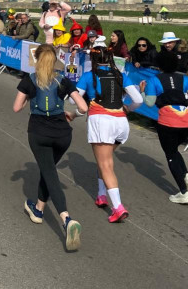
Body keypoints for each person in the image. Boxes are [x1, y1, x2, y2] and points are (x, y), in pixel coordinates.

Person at [13, 44, 88, 251]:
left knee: (50, 174)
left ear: (36, 59)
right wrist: (71, 114)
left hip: (39, 133)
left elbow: (16, 107)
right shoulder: (62, 80)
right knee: (48, 170)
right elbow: (83, 107)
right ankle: (38, 209)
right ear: (55, 60)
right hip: (63, 133)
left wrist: (29, 97)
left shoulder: (29, 79)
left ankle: (66, 219)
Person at [76, 46, 144, 222]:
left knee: (105, 164)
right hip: (121, 122)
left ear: (94, 59)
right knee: (104, 160)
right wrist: (128, 108)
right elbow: (138, 99)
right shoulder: (121, 75)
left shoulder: (89, 76)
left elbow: (73, 99)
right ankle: (101, 195)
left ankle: (118, 207)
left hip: (101, 122)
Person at [144, 51, 188, 204]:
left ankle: (184, 191)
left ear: (159, 64)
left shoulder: (154, 79)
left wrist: (143, 91)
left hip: (167, 121)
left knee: (170, 155)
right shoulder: (184, 78)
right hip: (185, 120)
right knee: (175, 151)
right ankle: (186, 175)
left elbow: (149, 102)